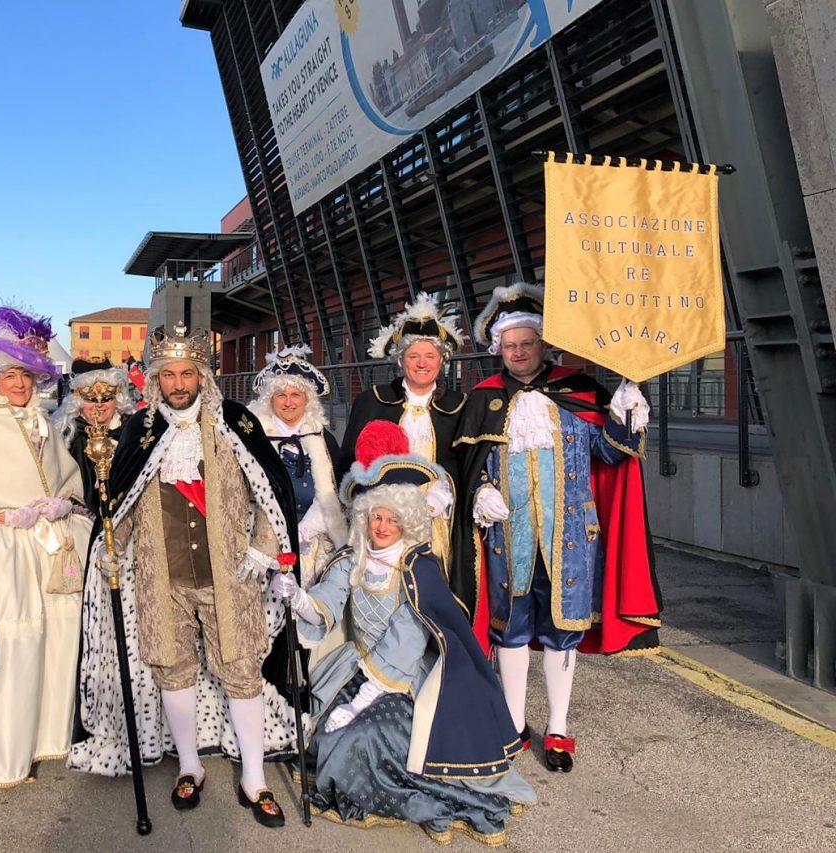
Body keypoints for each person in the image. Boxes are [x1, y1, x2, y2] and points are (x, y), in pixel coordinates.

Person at [69, 323, 301, 829]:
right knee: (171, 666)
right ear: (157, 379)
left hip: (230, 575)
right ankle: (190, 765)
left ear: (202, 375)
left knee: (240, 668)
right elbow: (124, 498)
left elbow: (268, 491)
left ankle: (254, 778)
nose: (178, 383)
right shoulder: (141, 429)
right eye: (169, 374)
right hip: (162, 575)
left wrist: (265, 550)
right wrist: (113, 547)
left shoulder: (233, 422)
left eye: (187, 373)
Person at [271, 420, 535, 846]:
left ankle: (425, 798)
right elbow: (328, 598)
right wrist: (297, 598)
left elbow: (405, 642)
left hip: (404, 679)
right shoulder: (352, 559)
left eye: (392, 518)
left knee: (368, 736)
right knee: (330, 736)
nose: (381, 526)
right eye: (375, 516)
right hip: (351, 665)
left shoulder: (418, 568)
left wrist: (357, 702)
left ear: (407, 519)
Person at [454, 282, 661, 773]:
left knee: (561, 634)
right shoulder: (483, 399)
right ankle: (511, 723)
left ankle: (560, 727)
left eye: (526, 343)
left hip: (570, 539)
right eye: (510, 346)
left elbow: (610, 455)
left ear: (542, 343)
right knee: (511, 631)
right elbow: (468, 464)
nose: (519, 353)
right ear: (498, 349)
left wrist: (625, 415)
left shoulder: (580, 390)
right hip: (510, 542)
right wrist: (480, 492)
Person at [0, 304, 93, 787]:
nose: (20, 384)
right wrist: (0, 515)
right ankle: (0, 757)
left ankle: (45, 741)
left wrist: (62, 506)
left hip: (49, 553)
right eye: (11, 375)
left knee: (53, 644)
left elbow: (68, 483)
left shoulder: (45, 424)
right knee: (12, 647)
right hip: (5, 556)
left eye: (27, 376)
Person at [338, 293, 467, 491]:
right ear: (400, 360)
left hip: (442, 514)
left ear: (442, 361)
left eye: (430, 356)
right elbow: (349, 464)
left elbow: (466, 467)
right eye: (413, 356)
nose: (422, 364)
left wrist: (444, 496)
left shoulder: (460, 405)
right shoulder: (372, 401)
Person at [246, 344, 347, 585]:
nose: (288, 403)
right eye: (281, 395)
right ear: (270, 399)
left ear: (307, 400)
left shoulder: (323, 438)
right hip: (261, 541)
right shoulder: (253, 438)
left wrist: (304, 532)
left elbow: (335, 492)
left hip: (312, 540)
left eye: (295, 395)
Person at [52, 355, 138, 517]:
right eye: (91, 398)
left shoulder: (131, 432)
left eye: (106, 398)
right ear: (78, 401)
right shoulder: (70, 436)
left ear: (117, 399)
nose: (99, 404)